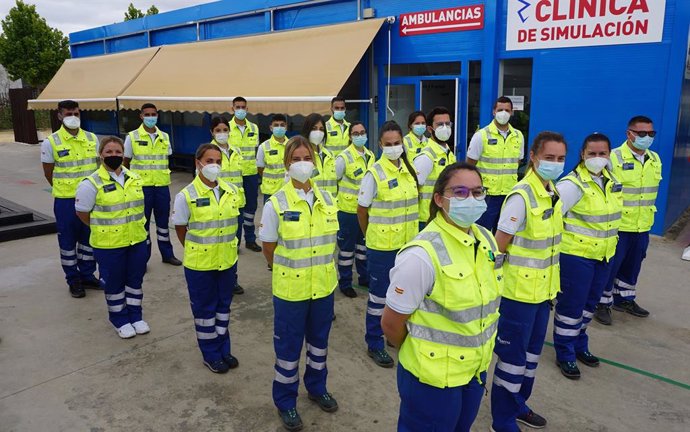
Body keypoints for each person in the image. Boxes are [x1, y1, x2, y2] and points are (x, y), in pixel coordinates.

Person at [381, 162, 502, 432]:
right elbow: (391, 325)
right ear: (439, 198)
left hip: (474, 371)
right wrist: (419, 353)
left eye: (478, 192)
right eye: (459, 192)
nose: (470, 199)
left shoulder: (486, 240)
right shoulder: (421, 255)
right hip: (431, 379)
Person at [259, 136, 339, 431]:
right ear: (286, 164)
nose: (302, 163)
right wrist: (285, 270)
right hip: (291, 291)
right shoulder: (276, 203)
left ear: (314, 162)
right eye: (296, 159)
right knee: (289, 350)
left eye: (307, 158)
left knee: (319, 345)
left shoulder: (328, 199)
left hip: (323, 288)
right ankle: (286, 402)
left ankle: (317, 388)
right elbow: (269, 246)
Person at [490, 131, 566, 432]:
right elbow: (499, 245)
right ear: (533, 157)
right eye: (549, 157)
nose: (555, 163)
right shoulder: (521, 197)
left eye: (560, 159)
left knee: (531, 358)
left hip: (543, 292)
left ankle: (519, 403)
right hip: (517, 294)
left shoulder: (552, 191)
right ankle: (503, 419)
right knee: (512, 359)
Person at [552, 133, 623, 379]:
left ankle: (580, 344)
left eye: (602, 153)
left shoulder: (612, 181)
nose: (597, 158)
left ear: (609, 154)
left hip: (603, 256)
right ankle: (565, 353)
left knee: (589, 306)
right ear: (582, 155)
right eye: (592, 153)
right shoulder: (571, 185)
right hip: (576, 257)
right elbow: (551, 219)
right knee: (571, 307)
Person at [172, 144, 243, 374]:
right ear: (198, 163)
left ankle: (224, 348)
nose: (214, 165)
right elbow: (181, 229)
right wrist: (197, 249)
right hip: (200, 265)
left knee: (223, 307)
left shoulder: (231, 191)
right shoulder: (186, 196)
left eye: (218, 161)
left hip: (227, 261)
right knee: (205, 311)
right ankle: (210, 353)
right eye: (209, 161)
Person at [357, 121, 419, 368]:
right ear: (380, 145)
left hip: (407, 246)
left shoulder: (409, 170)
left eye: (397, 143)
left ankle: (395, 336)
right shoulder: (374, 174)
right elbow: (362, 211)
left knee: (404, 296)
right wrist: (369, 235)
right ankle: (374, 342)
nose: (394, 148)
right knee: (379, 297)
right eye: (389, 144)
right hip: (382, 247)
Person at [75, 136, 149, 338]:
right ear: (100, 155)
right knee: (114, 283)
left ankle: (136, 316)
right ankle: (119, 319)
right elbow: (83, 213)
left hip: (136, 240)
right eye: (109, 152)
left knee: (135, 280)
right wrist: (101, 228)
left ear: (123, 154)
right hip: (109, 245)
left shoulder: (134, 179)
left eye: (118, 152)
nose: (114, 156)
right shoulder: (90, 183)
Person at [593, 116, 663, 325]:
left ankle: (624, 299)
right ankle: (602, 303)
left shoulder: (654, 159)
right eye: (642, 134)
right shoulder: (613, 158)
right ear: (629, 134)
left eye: (651, 134)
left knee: (633, 266)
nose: (646, 138)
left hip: (642, 226)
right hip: (618, 226)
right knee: (610, 267)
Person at [40, 99, 99, 298]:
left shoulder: (92, 138)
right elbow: (49, 173)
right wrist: (63, 188)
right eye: (68, 114)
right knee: (68, 242)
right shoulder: (52, 142)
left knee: (88, 240)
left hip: (90, 201)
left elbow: (98, 169)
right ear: (59, 116)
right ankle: (73, 280)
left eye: (76, 113)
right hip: (66, 201)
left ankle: (88, 275)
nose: (73, 118)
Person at [124, 103, 182, 266]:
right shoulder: (132, 137)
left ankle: (167, 254)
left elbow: (166, 159)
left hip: (162, 186)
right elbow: (125, 162)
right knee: (142, 223)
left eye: (154, 114)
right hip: (141, 188)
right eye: (147, 114)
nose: (151, 117)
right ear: (141, 116)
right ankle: (143, 258)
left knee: (163, 223)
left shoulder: (164, 136)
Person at [467, 96, 525, 233]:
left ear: (511, 112)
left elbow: (518, 161)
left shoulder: (518, 136)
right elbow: (469, 166)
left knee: (504, 232)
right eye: (500, 109)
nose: (503, 113)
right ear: (493, 112)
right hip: (487, 195)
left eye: (507, 110)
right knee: (481, 232)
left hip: (509, 194)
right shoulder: (481, 135)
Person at [335, 121, 374, 298]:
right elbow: (332, 180)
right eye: (356, 133)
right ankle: (345, 282)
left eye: (362, 132)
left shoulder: (370, 155)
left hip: (365, 210)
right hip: (347, 211)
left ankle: (364, 277)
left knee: (363, 247)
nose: (360, 136)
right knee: (346, 250)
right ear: (350, 136)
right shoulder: (343, 158)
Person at [209, 116, 247, 295]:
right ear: (212, 132)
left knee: (233, 243)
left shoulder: (237, 151)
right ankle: (216, 278)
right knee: (217, 243)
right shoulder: (208, 153)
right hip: (217, 206)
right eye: (218, 130)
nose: (222, 134)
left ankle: (232, 279)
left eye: (225, 130)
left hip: (235, 205)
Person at [414, 106, 457, 230]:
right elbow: (414, 188)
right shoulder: (426, 157)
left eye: (447, 124)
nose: (445, 128)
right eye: (440, 124)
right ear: (430, 128)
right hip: (427, 218)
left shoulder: (447, 152)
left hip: (443, 215)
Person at [229, 96, 262, 252]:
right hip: (233, 175)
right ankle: (235, 241)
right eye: (237, 107)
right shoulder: (226, 128)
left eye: (243, 107)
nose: (240, 110)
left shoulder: (254, 128)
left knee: (251, 207)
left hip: (250, 173)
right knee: (236, 207)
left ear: (247, 109)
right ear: (233, 109)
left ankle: (250, 239)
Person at [300, 113, 338, 197]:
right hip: (311, 205)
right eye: (314, 128)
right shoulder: (301, 156)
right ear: (307, 130)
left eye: (321, 129)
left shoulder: (330, 155)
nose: (318, 132)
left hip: (330, 206)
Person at [257, 114, 289, 202]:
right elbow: (260, 168)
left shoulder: (292, 145)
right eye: (276, 125)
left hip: (288, 190)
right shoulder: (263, 147)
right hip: (270, 191)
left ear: (286, 127)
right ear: (271, 128)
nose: (279, 127)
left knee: (287, 215)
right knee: (270, 215)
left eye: (282, 125)